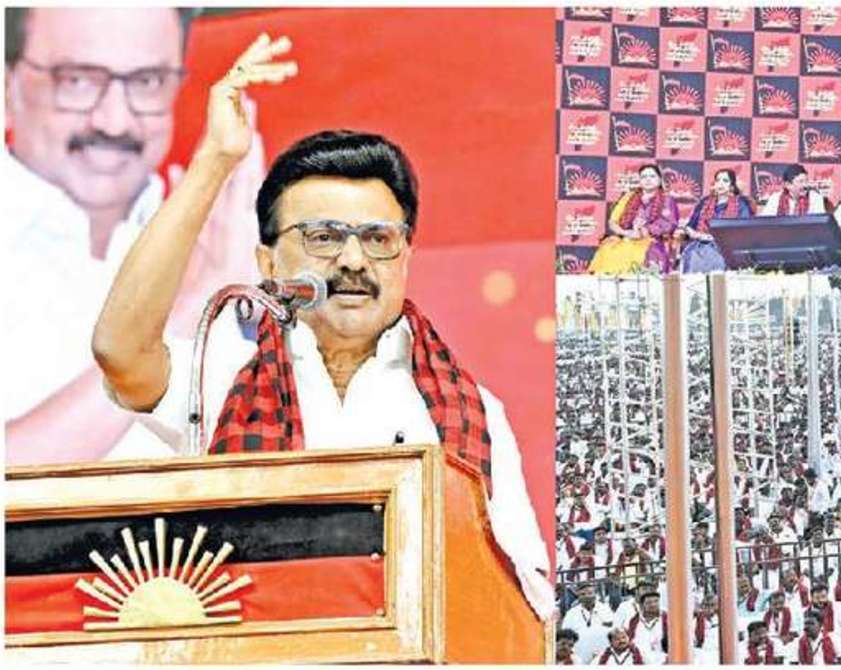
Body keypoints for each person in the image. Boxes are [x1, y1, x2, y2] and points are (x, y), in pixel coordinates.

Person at [85, 33, 553, 629]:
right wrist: (216, 161)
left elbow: (525, 601)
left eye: (378, 239)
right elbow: (120, 350)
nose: (353, 261)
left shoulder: (472, 411)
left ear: (406, 256)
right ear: (267, 263)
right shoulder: (219, 373)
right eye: (323, 238)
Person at [3, 7, 264, 462]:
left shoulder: (229, 238)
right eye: (77, 81)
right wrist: (190, 306)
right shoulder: (208, 272)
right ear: (8, 86)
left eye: (147, 82)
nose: (114, 121)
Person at [586, 167, 657, 275]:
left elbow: (665, 225)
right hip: (626, 237)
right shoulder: (629, 197)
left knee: (634, 251)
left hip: (650, 240)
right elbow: (613, 222)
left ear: (659, 179)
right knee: (609, 248)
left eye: (652, 176)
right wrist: (625, 233)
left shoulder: (666, 200)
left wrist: (642, 232)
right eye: (644, 177)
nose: (648, 180)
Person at [679, 167, 751, 272]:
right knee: (693, 255)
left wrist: (716, 238)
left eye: (725, 181)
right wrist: (696, 235)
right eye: (718, 180)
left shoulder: (740, 204)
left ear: (731, 186)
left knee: (719, 258)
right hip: (700, 244)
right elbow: (690, 226)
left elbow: (744, 229)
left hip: (726, 247)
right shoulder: (705, 202)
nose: (720, 184)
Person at [757, 163, 828, 216]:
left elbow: (819, 224)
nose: (805, 185)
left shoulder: (815, 198)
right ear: (788, 185)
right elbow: (765, 222)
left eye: (806, 181)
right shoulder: (775, 198)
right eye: (800, 182)